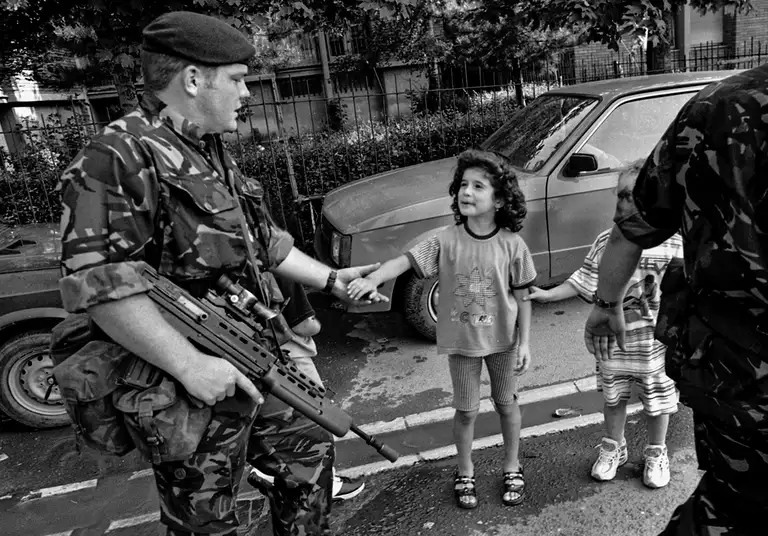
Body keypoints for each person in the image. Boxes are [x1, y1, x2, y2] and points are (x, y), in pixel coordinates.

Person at [55, 11, 386, 536]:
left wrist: (331, 280)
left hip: (251, 354)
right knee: (204, 519)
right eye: (236, 78)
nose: (247, 91)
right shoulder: (118, 156)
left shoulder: (205, 149)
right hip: (186, 383)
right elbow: (100, 287)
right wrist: (190, 366)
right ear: (193, 79)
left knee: (311, 451)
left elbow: (261, 246)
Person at [584, 65, 768, 535]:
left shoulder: (721, 105)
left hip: (738, 378)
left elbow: (636, 227)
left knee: (732, 509)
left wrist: (605, 305)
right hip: (738, 376)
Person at [346, 149, 535, 509]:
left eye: (478, 186)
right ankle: (464, 469)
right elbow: (403, 261)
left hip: (504, 343)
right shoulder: (443, 240)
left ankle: (512, 464)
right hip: (462, 344)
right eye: (463, 184)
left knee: (506, 403)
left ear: (498, 199)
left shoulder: (513, 245)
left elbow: (523, 298)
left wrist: (525, 343)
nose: (467, 191)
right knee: (466, 411)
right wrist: (373, 278)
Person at [524, 183, 682, 488]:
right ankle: (613, 446)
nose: (621, 202)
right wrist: (549, 295)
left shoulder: (674, 242)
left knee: (658, 401)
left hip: (655, 345)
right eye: (619, 195)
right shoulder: (606, 241)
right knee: (613, 398)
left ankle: (657, 452)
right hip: (613, 342)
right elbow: (583, 279)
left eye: (629, 196)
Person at [247, 275, 366, 502]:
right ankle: (322, 483)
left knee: (272, 424)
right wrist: (319, 322)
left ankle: (270, 472)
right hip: (291, 356)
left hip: (259, 356)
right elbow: (305, 324)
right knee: (316, 424)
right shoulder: (281, 271)